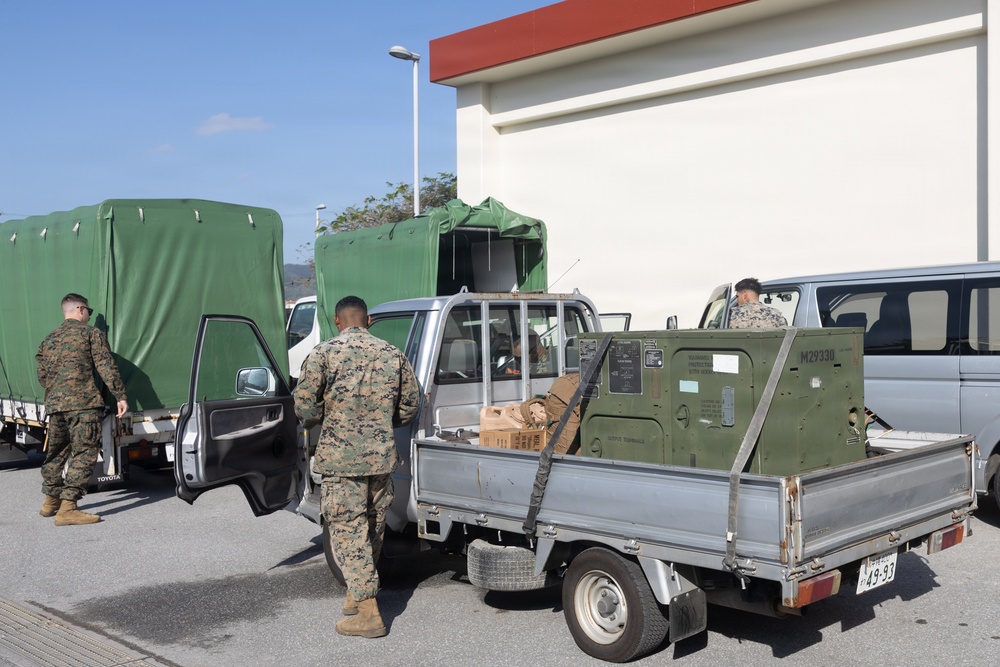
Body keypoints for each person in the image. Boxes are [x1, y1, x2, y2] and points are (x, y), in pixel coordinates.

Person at [293, 295, 420, 639]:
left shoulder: (323, 353)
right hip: (381, 457)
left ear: (338, 321)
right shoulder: (392, 354)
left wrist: (329, 418)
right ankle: (356, 592)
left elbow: (303, 406)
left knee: (348, 530)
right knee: (373, 525)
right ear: (367, 321)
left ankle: (367, 613)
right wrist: (380, 422)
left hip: (342, 460)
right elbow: (411, 405)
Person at [35, 293, 128, 526]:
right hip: (83, 405)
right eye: (89, 310)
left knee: (56, 452)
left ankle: (50, 503)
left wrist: (59, 391)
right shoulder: (91, 334)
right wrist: (120, 395)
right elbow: (106, 366)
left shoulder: (49, 339)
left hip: (56, 406)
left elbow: (42, 376)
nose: (89, 315)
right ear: (79, 309)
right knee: (85, 453)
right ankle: (68, 509)